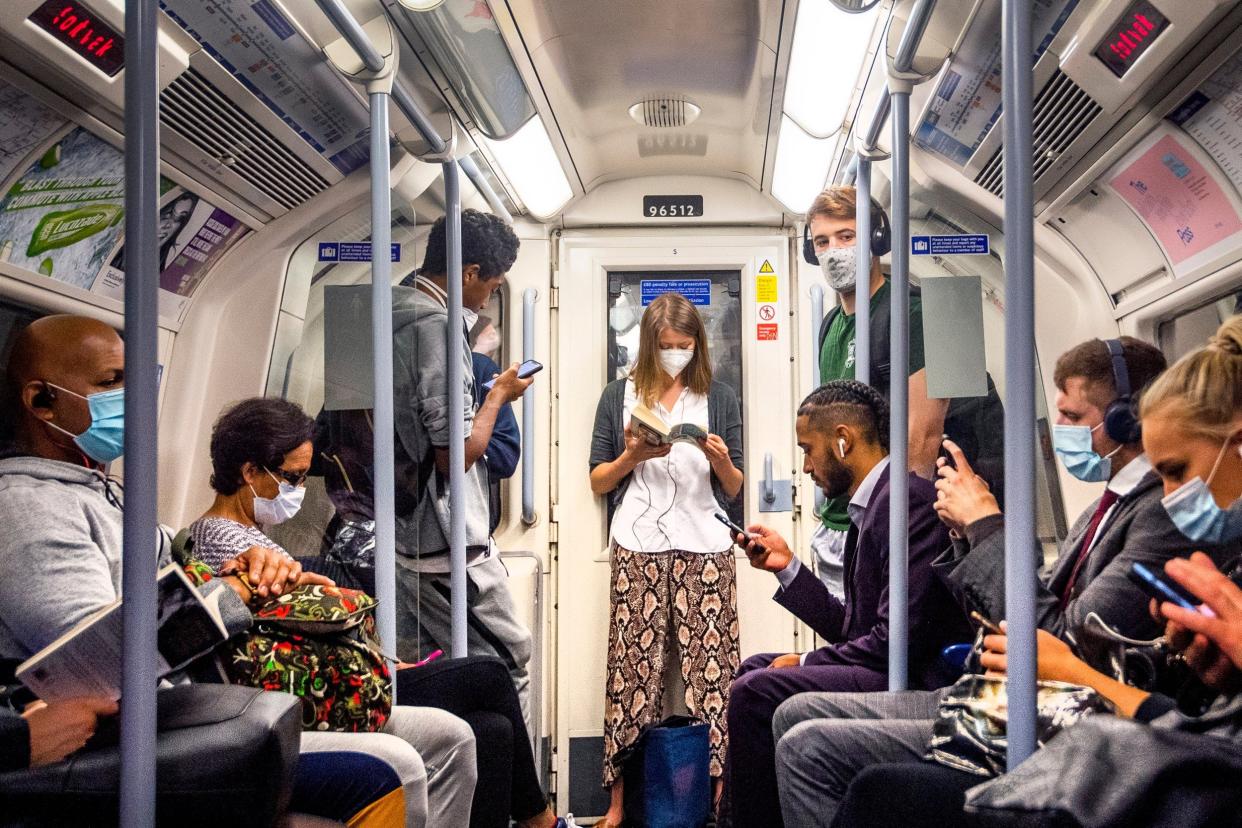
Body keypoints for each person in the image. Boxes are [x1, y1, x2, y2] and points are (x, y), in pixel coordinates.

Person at [774, 323, 1242, 827]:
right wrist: (964, 534)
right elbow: (1021, 610)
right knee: (794, 719)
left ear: (1125, 421)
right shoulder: (1101, 510)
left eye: (1069, 415)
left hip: (1061, 714)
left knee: (820, 751)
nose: (1056, 427)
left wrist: (986, 527)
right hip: (1018, 692)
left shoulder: (1156, 514)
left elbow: (1055, 637)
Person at [0, 316, 433, 826]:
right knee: (386, 768)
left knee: (443, 732)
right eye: (109, 382)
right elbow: (107, 655)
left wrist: (256, 574)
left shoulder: (104, 493)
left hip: (171, 706)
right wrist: (238, 591)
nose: (130, 396)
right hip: (122, 730)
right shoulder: (27, 508)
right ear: (41, 402)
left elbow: (175, 579)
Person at [195, 396, 562, 828]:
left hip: (332, 673)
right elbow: (285, 633)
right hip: (317, 689)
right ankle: (542, 821)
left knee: (491, 730)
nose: (297, 490)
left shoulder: (253, 536)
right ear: (250, 472)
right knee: (489, 676)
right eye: (291, 478)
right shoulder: (227, 542)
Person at [721, 380, 969, 828]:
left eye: (808, 449)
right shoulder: (874, 504)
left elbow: (896, 640)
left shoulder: (904, 503)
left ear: (843, 440)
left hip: (916, 675)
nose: (806, 466)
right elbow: (855, 628)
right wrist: (788, 568)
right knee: (754, 668)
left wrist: (808, 659)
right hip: (886, 660)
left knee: (754, 692)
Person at [588, 290, 744, 828]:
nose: (676, 354)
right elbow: (597, 479)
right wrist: (632, 455)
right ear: (649, 347)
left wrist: (719, 459)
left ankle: (722, 802)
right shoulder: (619, 395)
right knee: (630, 673)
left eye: (685, 345)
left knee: (716, 675)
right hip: (638, 543)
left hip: (706, 542)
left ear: (697, 346)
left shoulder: (719, 397)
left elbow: (736, 485)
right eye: (667, 346)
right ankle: (618, 805)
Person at [806, 186, 1005, 597]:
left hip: (892, 520)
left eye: (847, 236)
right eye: (822, 242)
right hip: (844, 519)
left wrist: (901, 529)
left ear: (877, 239)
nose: (834, 251)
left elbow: (924, 434)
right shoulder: (830, 326)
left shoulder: (921, 312)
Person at [391, 209, 536, 723]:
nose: (489, 298)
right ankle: (519, 801)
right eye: (491, 286)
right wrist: (498, 395)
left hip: (404, 535)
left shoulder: (383, 310)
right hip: (449, 545)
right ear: (469, 273)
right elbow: (457, 455)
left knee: (431, 674)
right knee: (511, 662)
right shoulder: (437, 327)